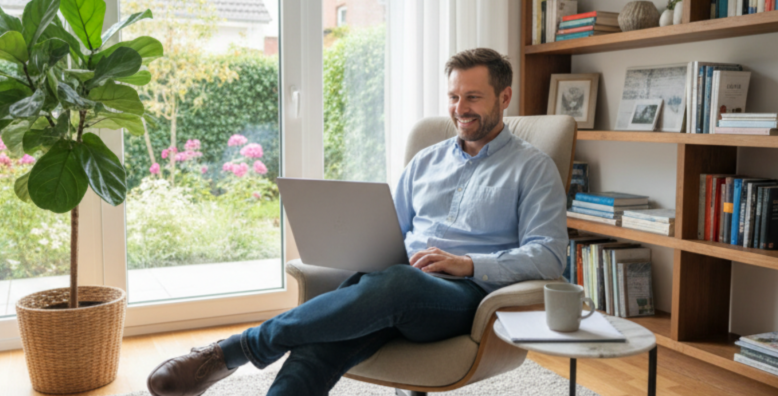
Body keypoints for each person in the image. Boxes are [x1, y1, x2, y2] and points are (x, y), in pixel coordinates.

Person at [146, 47, 569, 396]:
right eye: (454, 97)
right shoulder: (426, 161)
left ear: (505, 97)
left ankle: (234, 350)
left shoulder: (533, 168)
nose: (460, 109)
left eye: (473, 97)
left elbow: (548, 256)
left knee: (396, 283)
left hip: (465, 299)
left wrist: (470, 264)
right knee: (324, 340)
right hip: (393, 285)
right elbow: (389, 229)